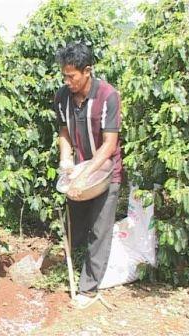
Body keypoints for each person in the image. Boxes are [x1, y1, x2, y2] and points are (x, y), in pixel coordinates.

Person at [54, 42, 123, 308]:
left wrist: (85, 175)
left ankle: (89, 289)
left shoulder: (107, 96)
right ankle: (67, 264)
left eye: (71, 76)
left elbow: (109, 144)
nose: (67, 81)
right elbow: (63, 131)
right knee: (76, 222)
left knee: (99, 230)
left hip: (107, 173)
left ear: (87, 71)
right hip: (81, 169)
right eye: (64, 76)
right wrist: (66, 158)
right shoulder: (62, 97)